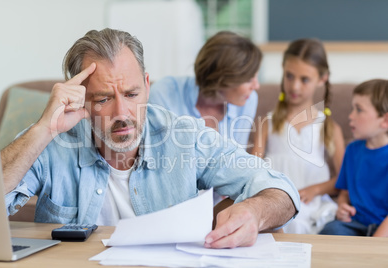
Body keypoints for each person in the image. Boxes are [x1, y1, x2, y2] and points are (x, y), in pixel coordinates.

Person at [2, 28, 299, 249]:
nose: (122, 112)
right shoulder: (54, 140)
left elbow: (281, 189)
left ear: (147, 86)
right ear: (80, 99)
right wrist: (43, 129)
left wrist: (254, 213)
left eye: (132, 94)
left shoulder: (184, 136)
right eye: (103, 98)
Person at [250, 38, 345, 234]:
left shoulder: (329, 128)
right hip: (275, 201)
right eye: (289, 76)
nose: (294, 87)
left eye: (304, 79)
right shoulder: (267, 123)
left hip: (311, 205)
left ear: (322, 79)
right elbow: (252, 168)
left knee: (304, 223)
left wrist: (315, 189)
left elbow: (344, 178)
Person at [148, 31, 262, 150]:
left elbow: (236, 158)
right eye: (249, 79)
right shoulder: (163, 94)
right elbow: (161, 158)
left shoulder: (248, 100)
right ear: (222, 78)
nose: (256, 86)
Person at [320, 79, 388, 237]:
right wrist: (342, 207)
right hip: (355, 224)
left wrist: (374, 245)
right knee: (330, 230)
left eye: (359, 110)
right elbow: (345, 192)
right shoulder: (352, 150)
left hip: (384, 228)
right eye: (352, 108)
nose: (351, 116)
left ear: (385, 120)